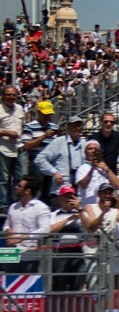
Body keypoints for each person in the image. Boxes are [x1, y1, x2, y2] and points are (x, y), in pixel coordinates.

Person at [4, 175, 50, 273]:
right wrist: (8, 231)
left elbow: (45, 229)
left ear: (27, 191)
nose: (17, 187)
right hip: (10, 253)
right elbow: (6, 224)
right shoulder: (13, 206)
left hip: (30, 255)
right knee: (8, 285)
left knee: (28, 285)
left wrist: (24, 237)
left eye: (20, 186)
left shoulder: (41, 207)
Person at [34, 116, 87, 202]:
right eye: (75, 125)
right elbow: (39, 159)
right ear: (69, 127)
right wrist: (54, 172)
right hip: (61, 191)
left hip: (79, 194)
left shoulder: (84, 144)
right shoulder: (59, 141)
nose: (78, 128)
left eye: (80, 126)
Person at [49, 185, 87, 290]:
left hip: (78, 252)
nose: (69, 199)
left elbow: (89, 227)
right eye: (66, 196)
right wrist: (68, 219)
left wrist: (79, 209)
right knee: (60, 283)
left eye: (72, 196)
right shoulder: (54, 214)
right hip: (60, 252)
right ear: (60, 198)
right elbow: (51, 230)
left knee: (78, 283)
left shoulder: (81, 213)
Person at [19, 100, 59, 196]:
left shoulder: (53, 127)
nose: (47, 116)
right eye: (45, 114)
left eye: (49, 114)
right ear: (38, 112)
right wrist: (44, 136)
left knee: (49, 189)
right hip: (36, 159)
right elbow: (26, 146)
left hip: (51, 161)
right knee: (37, 189)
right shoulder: (29, 126)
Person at [0, 86, 27, 215]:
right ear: (2, 96)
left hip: (18, 147)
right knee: (4, 179)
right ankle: (3, 205)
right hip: (3, 148)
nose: (11, 97)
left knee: (20, 177)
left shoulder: (20, 109)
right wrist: (6, 133)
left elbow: (22, 126)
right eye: (8, 95)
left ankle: (16, 202)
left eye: (13, 95)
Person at [74, 140, 119, 206]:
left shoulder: (105, 168)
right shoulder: (82, 168)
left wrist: (107, 170)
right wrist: (92, 169)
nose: (93, 151)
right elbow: (83, 185)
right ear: (85, 152)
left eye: (95, 149)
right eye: (90, 149)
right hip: (88, 207)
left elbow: (118, 186)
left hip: (104, 208)